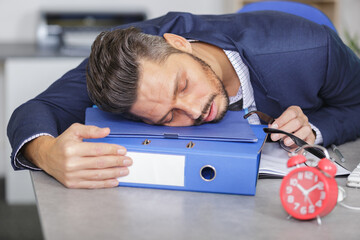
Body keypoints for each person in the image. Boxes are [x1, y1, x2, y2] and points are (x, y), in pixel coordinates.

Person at [7, 11, 360, 189]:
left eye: (181, 86)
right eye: (166, 117)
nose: (194, 111)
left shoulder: (313, 50)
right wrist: (47, 154)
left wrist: (315, 127)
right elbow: (37, 109)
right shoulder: (126, 67)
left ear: (177, 42)